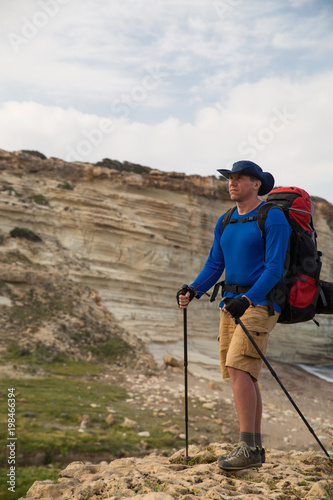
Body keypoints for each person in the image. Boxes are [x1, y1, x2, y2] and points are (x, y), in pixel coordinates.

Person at [177, 160, 291, 471]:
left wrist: (248, 298)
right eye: (230, 178)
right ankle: (252, 446)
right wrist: (194, 289)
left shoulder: (273, 217)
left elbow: (274, 269)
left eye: (240, 178)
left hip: (261, 302)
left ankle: (247, 447)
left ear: (257, 184)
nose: (232, 183)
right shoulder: (225, 220)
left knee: (238, 367)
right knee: (241, 373)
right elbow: (215, 265)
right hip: (230, 304)